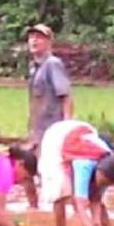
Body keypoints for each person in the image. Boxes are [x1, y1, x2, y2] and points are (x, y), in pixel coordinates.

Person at [38, 119, 114, 226]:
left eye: (106, 184)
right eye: (103, 181)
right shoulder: (84, 165)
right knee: (62, 191)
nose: (103, 184)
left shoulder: (111, 165)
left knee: (96, 195)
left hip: (84, 132)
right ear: (98, 169)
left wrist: (96, 223)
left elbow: (96, 199)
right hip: (57, 138)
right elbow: (80, 204)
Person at [26, 23, 74, 151]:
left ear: (49, 42)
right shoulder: (34, 67)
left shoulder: (52, 64)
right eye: (31, 37)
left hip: (52, 130)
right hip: (39, 130)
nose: (34, 40)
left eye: (39, 37)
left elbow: (66, 95)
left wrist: (66, 127)